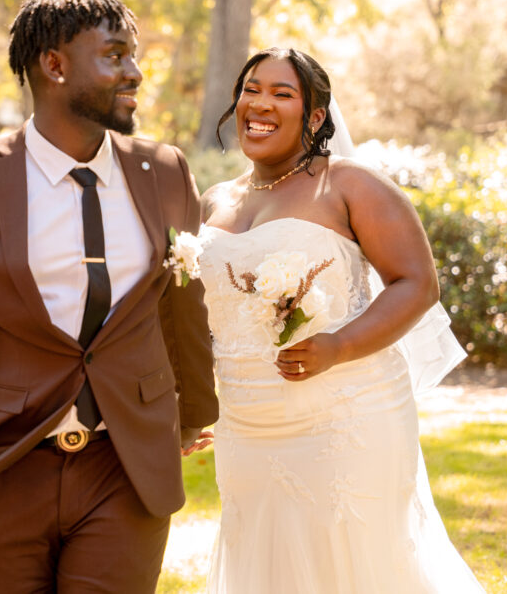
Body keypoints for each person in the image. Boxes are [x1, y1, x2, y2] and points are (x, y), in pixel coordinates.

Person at [0, 0, 218, 594]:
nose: (134, 72)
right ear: (54, 66)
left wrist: (190, 416)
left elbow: (181, 306)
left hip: (126, 470)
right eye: (114, 55)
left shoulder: (165, 171)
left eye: (133, 55)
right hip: (5, 471)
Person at [195, 47, 484, 592]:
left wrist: (341, 345)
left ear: (316, 117)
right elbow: (194, 316)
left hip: (347, 415)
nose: (260, 103)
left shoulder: (349, 185)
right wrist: (188, 408)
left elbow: (417, 283)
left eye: (283, 94)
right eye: (251, 89)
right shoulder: (213, 203)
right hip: (247, 424)